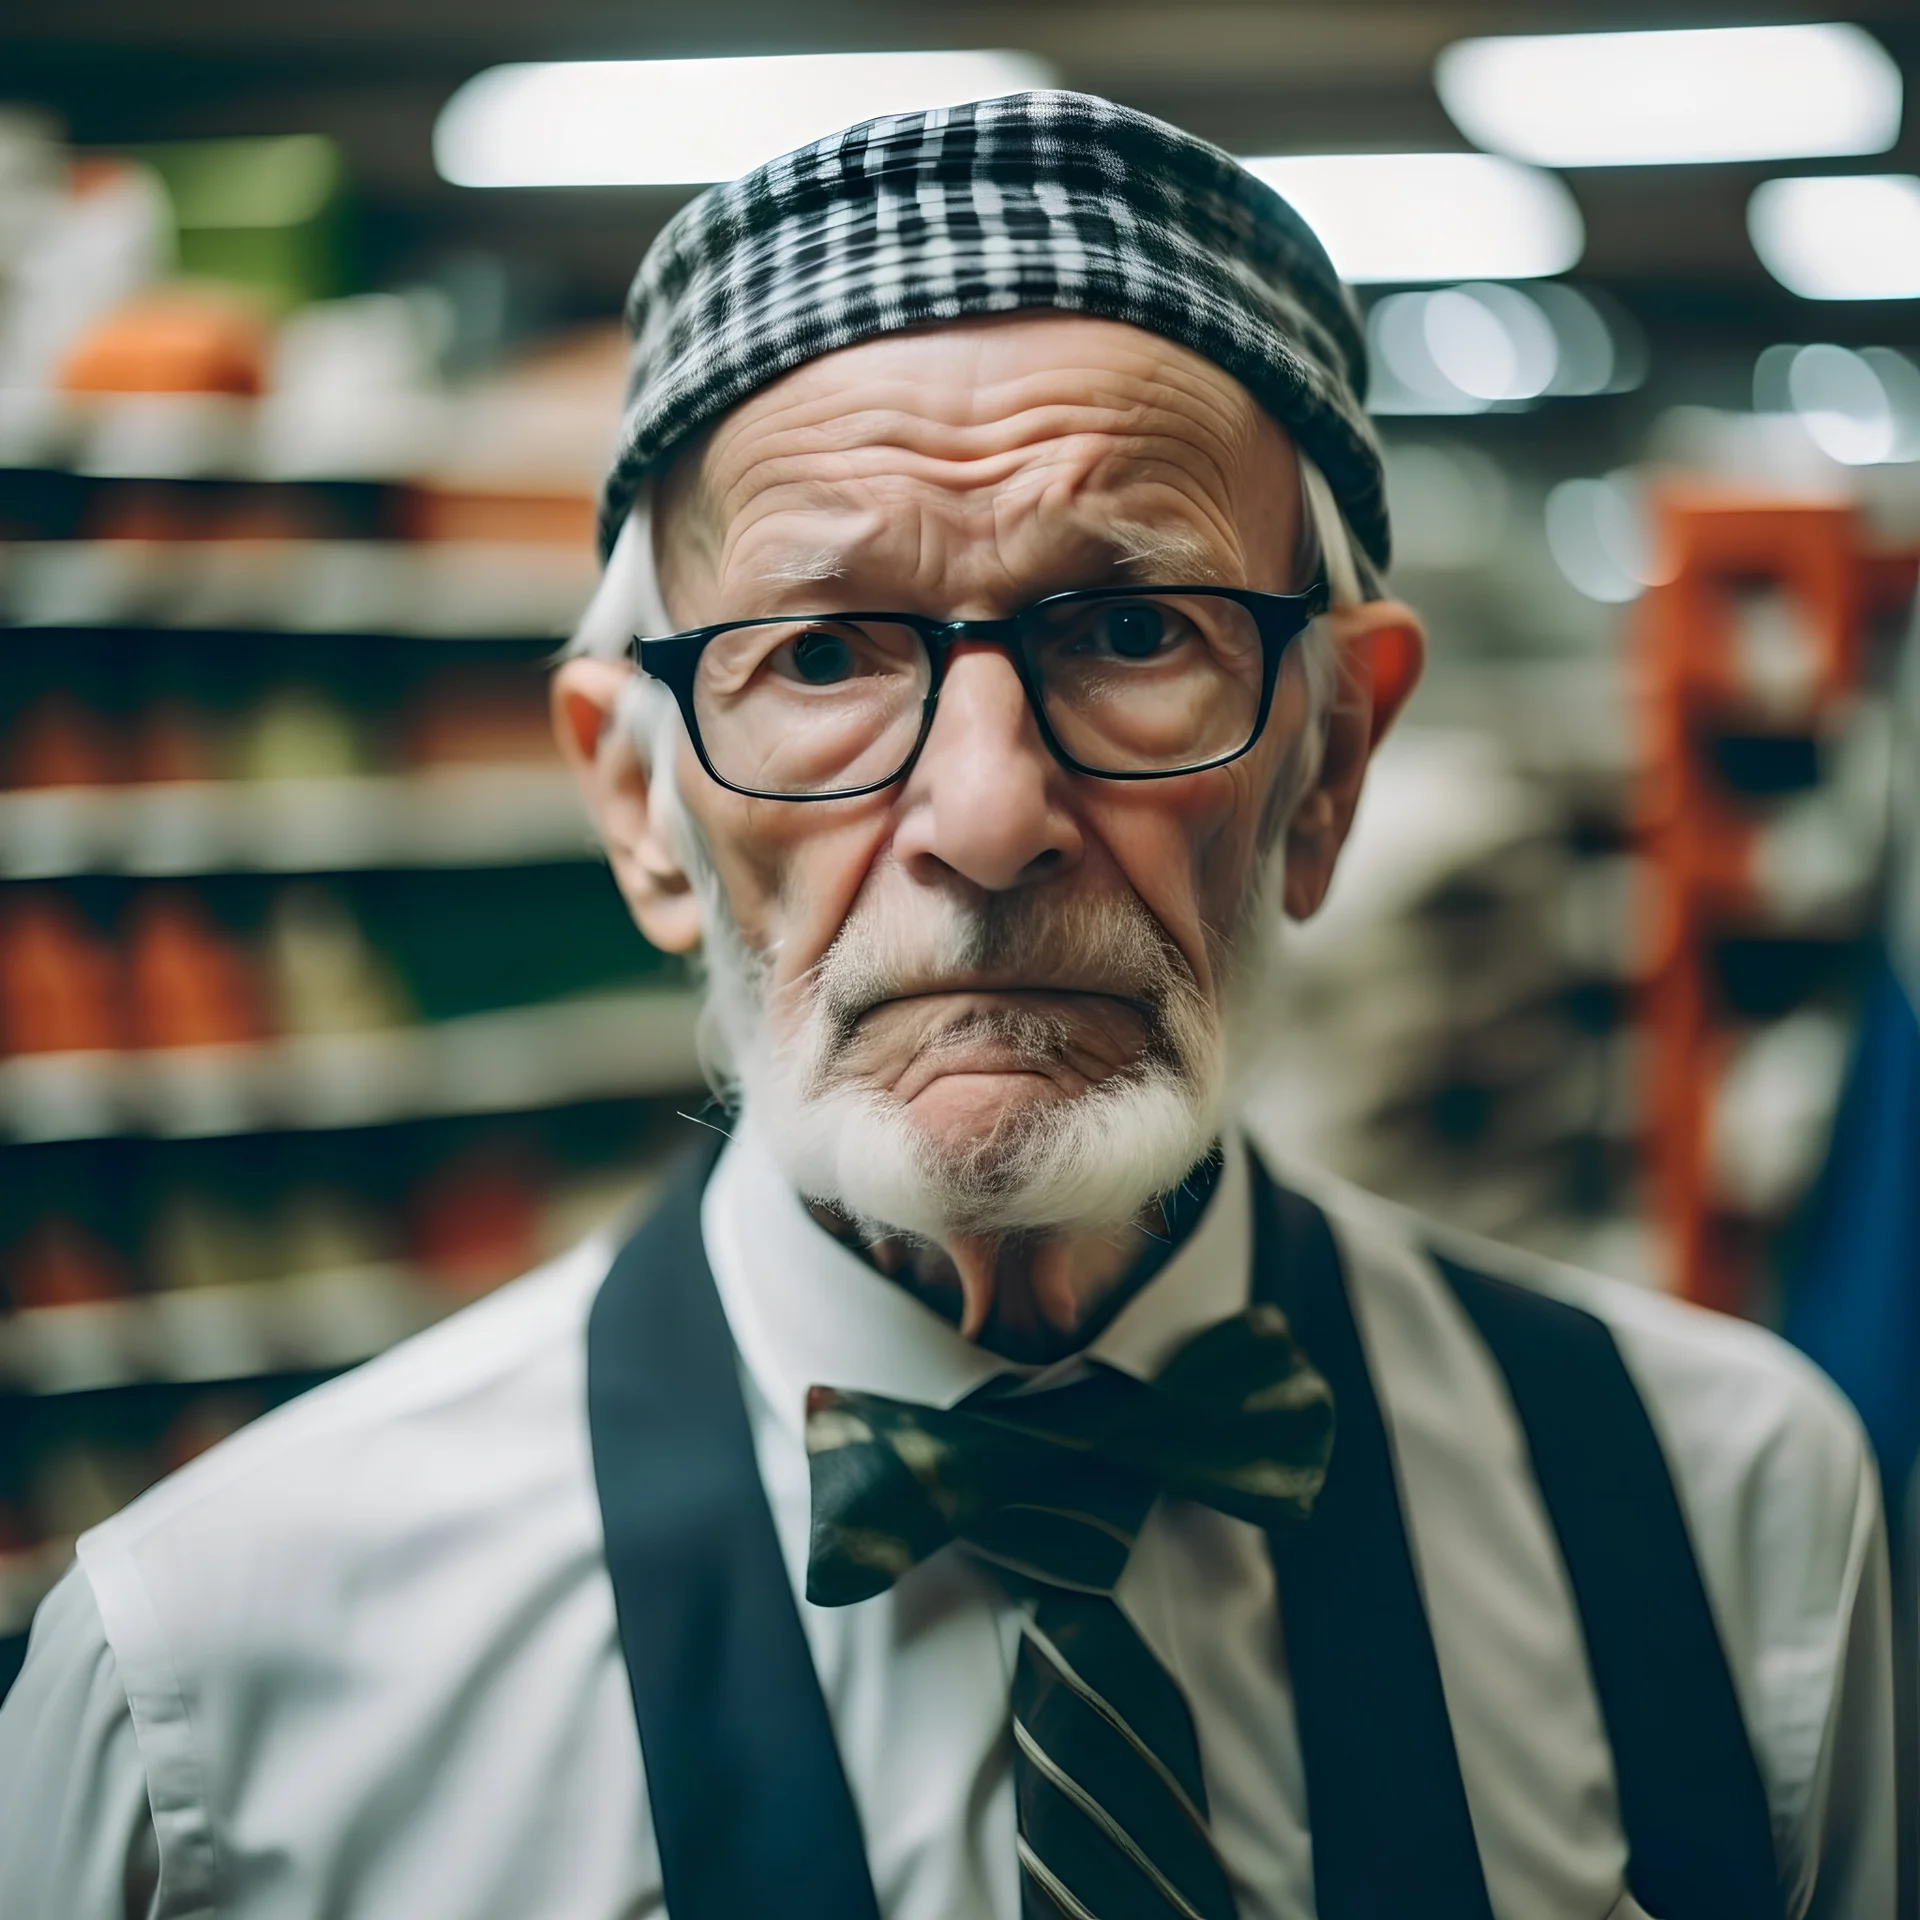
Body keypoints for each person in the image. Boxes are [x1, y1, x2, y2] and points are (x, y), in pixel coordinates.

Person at [0, 91, 1892, 1920]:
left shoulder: (1725, 1522)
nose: (987, 821)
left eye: (1134, 629)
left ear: (1331, 765)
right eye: (819, 651)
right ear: (640, 809)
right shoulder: (213, 1691)